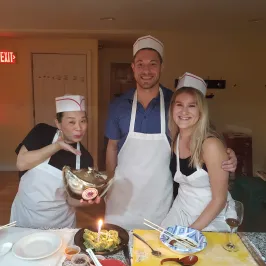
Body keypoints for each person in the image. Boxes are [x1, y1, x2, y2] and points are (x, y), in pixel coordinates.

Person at [104, 35, 237, 230]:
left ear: (161, 67)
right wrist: (109, 184)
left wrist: (226, 155)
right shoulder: (118, 105)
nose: (146, 70)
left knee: (156, 252)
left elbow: (205, 134)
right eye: (140, 64)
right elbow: (112, 146)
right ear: (133, 67)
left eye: (153, 64)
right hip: (122, 194)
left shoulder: (172, 101)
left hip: (159, 198)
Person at [10, 95, 100, 229]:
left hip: (59, 223)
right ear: (58, 123)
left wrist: (88, 200)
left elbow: (71, 200)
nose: (79, 128)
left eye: (83, 121)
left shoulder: (84, 159)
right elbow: (22, 163)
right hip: (24, 216)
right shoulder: (42, 133)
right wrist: (57, 146)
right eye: (71, 122)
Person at [161, 73, 234, 231]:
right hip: (182, 209)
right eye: (179, 104)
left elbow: (219, 200)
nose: (184, 111)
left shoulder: (211, 145)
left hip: (214, 216)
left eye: (192, 105)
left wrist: (190, 232)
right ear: (172, 107)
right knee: (162, 247)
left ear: (201, 111)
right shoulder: (175, 138)